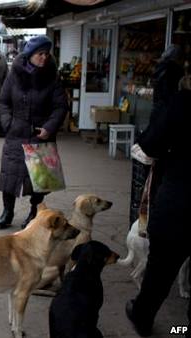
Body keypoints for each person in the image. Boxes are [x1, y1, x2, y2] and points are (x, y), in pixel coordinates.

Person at [125, 68, 189, 337]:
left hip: (181, 199)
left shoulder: (183, 101)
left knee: (160, 268)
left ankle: (142, 316)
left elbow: (151, 144)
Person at [0, 35, 67, 229]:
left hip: (40, 135)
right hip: (16, 133)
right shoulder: (14, 74)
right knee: (10, 176)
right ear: (30, 54)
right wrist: (8, 123)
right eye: (39, 54)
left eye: (46, 54)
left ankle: (35, 213)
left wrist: (49, 127)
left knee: (39, 180)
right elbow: (3, 102)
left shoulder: (52, 77)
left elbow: (60, 107)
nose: (43, 57)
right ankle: (7, 211)